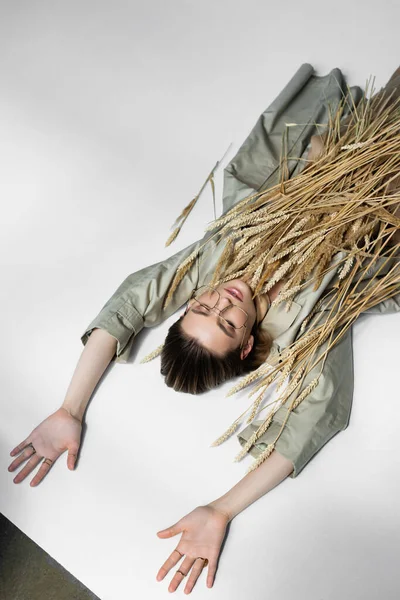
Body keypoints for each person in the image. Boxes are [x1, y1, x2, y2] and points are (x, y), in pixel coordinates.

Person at [8, 64, 400, 594]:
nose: (223, 301)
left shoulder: (211, 266)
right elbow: (312, 422)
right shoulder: (305, 325)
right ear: (245, 347)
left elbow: (129, 303)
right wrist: (220, 511)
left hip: (338, 158)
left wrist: (70, 409)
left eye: (201, 308)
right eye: (228, 322)